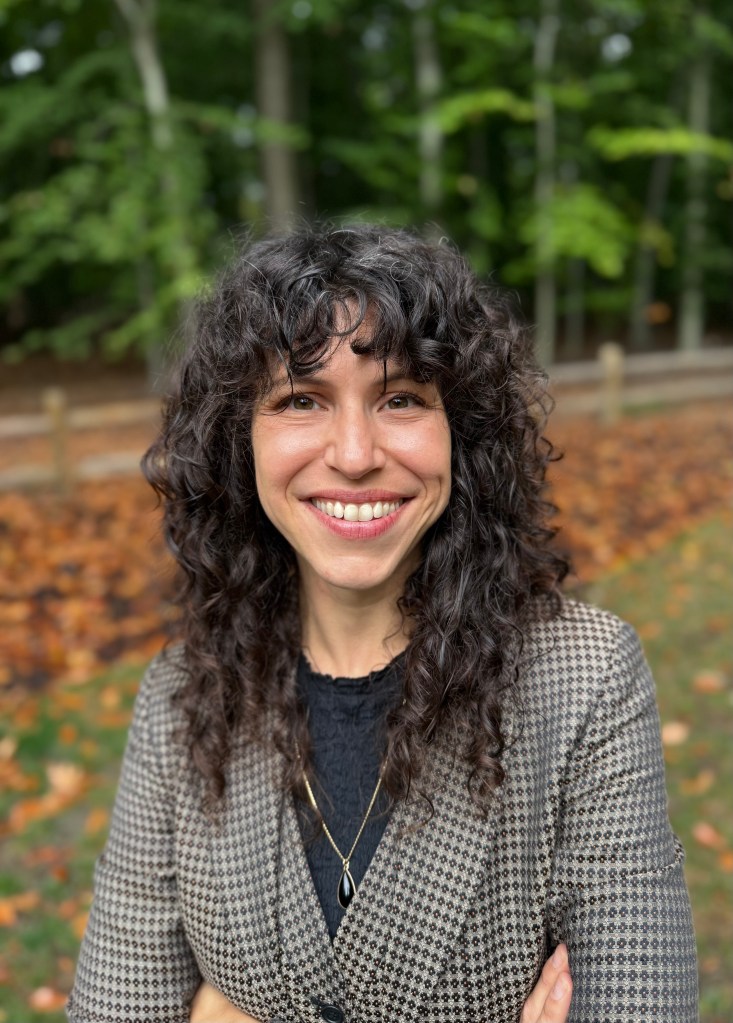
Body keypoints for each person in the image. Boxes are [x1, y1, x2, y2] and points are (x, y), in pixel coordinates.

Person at [67, 225, 697, 1023]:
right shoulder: (179, 702)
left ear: (459, 433)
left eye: (400, 398)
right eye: (301, 400)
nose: (356, 453)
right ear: (241, 440)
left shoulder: (583, 678)